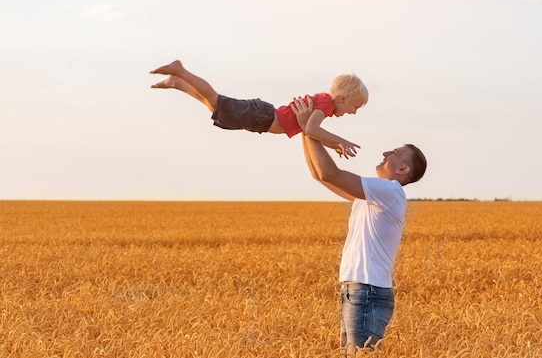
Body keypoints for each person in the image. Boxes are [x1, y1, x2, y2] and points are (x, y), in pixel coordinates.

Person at [291, 97, 427, 352]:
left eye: (394, 154)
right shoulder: (376, 196)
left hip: (367, 292)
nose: (386, 153)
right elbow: (320, 174)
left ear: (403, 169)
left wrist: (310, 127)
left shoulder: (390, 191)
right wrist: (305, 130)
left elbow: (330, 173)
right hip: (360, 291)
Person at [150, 60, 368, 158]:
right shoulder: (325, 103)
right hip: (262, 115)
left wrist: (334, 146)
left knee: (214, 107)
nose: (354, 112)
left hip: (261, 119)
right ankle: (182, 72)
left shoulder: (326, 106)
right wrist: (341, 142)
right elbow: (311, 130)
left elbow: (311, 130)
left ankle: (178, 83)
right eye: (355, 106)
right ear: (342, 97)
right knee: (215, 100)